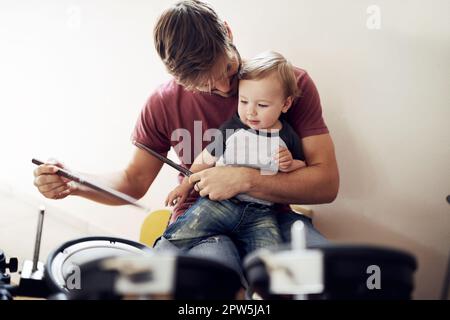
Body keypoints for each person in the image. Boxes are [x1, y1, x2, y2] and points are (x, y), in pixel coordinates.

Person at [33, 0, 339, 284]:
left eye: (229, 71)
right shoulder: (163, 102)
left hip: (271, 216)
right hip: (201, 224)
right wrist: (75, 183)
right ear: (177, 77)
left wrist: (244, 179)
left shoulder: (288, 85)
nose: (223, 88)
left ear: (228, 33)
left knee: (331, 275)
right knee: (217, 284)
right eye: (205, 85)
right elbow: (133, 180)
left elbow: (326, 184)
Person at [162, 51, 306, 257]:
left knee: (271, 260)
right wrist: (185, 185)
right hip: (220, 204)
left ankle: (261, 288)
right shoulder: (232, 128)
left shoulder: (287, 136)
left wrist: (290, 165)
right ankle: (155, 260)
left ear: (285, 104)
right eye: (244, 101)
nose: (250, 112)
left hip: (262, 214)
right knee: (183, 232)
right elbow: (205, 158)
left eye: (262, 105)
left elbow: (302, 166)